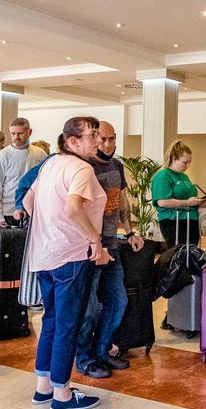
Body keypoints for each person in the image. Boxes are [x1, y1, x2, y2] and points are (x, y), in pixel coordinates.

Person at [24, 116, 110, 409]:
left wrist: (50, 225)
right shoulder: (81, 168)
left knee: (51, 320)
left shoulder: (50, 164)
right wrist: (95, 241)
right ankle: (62, 392)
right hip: (71, 256)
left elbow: (28, 202)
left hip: (45, 254)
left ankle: (43, 387)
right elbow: (74, 208)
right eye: (93, 135)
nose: (98, 140)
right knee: (67, 325)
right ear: (74, 141)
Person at [73, 120, 143, 379]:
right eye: (101, 139)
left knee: (118, 301)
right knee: (88, 307)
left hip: (112, 246)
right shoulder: (83, 167)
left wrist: (130, 231)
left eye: (111, 139)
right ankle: (84, 358)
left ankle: (102, 351)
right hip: (88, 249)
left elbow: (122, 202)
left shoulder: (117, 166)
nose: (107, 145)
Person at [0, 118, 48, 226]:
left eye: (20, 133)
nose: (16, 137)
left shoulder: (40, 153)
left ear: (29, 132)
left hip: (33, 210)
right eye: (13, 134)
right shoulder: (3, 155)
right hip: (8, 212)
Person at [151, 140, 203, 246]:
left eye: (189, 162)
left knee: (192, 254)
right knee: (179, 254)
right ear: (174, 159)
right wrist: (188, 203)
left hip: (191, 220)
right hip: (174, 221)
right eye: (185, 162)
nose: (188, 166)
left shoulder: (184, 176)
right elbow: (162, 202)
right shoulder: (163, 175)